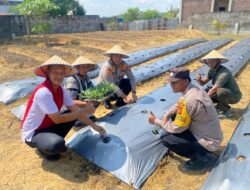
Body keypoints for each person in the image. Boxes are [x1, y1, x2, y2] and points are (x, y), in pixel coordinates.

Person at [21, 55, 106, 161]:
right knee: (57, 144)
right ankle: (42, 148)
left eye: (61, 73)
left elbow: (75, 110)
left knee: (70, 113)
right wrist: (84, 110)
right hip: (34, 132)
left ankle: (50, 141)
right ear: (48, 73)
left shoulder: (61, 90)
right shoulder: (44, 92)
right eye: (55, 72)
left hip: (48, 125)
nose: (59, 76)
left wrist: (94, 125)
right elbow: (57, 119)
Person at [148, 67, 223, 171]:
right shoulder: (193, 89)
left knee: (166, 138)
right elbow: (180, 102)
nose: (171, 85)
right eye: (170, 82)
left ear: (186, 81)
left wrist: (156, 121)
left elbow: (176, 128)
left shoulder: (190, 100)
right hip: (211, 135)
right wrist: (168, 114)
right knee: (175, 116)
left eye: (175, 83)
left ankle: (202, 158)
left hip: (208, 142)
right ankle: (202, 152)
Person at [196, 50, 242, 119]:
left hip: (234, 96)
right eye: (208, 62)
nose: (210, 64)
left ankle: (226, 111)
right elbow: (203, 83)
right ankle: (217, 106)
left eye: (212, 62)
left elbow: (214, 89)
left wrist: (202, 100)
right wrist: (199, 80)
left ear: (218, 61)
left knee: (218, 91)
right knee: (205, 91)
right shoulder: (212, 70)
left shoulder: (224, 72)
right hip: (223, 92)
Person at [97, 45, 137, 109]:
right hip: (105, 88)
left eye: (120, 56)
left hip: (116, 84)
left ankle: (120, 102)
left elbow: (132, 78)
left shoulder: (124, 64)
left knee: (128, 82)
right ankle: (106, 100)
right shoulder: (107, 67)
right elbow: (112, 85)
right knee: (113, 94)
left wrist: (134, 92)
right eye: (116, 56)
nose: (118, 58)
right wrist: (125, 97)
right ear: (111, 56)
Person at [64, 56, 98, 124]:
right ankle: (77, 122)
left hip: (81, 103)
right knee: (90, 106)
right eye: (82, 67)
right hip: (70, 109)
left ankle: (86, 117)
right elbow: (70, 102)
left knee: (96, 101)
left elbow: (93, 90)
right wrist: (86, 104)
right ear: (77, 68)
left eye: (87, 67)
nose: (85, 69)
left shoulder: (86, 77)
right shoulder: (72, 80)